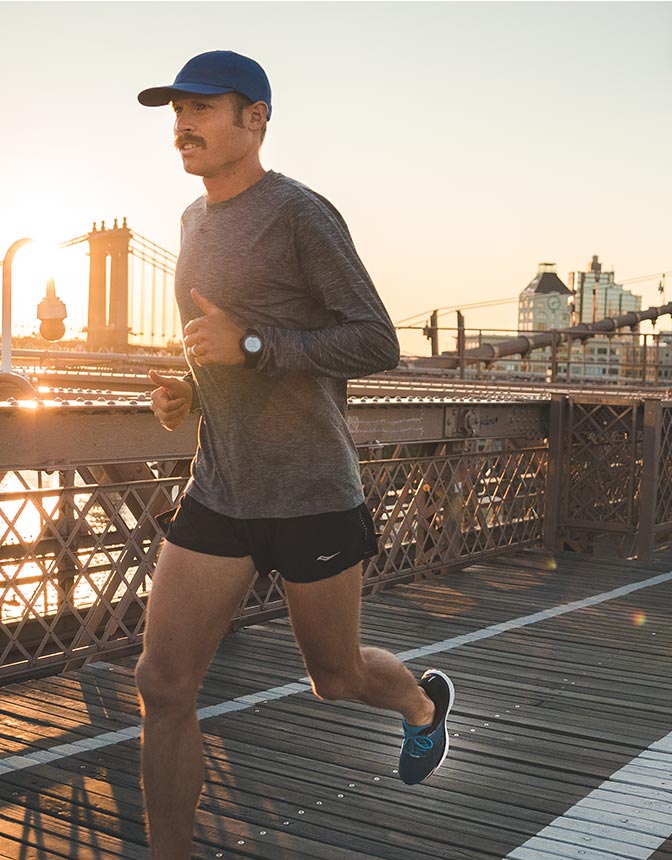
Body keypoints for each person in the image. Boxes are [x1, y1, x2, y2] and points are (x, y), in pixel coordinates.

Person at [134, 51, 455, 860]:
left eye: (204, 108)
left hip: (310, 490)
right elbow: (218, 351)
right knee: (161, 685)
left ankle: (419, 706)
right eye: (176, 109)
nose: (183, 124)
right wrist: (188, 392)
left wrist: (251, 344)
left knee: (335, 676)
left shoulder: (299, 214)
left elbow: (375, 340)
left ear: (256, 119)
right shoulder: (189, 221)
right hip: (221, 489)